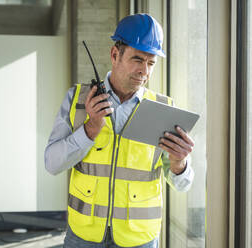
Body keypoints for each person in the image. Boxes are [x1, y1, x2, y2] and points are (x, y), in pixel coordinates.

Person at [44, 13, 195, 248]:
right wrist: (90, 129)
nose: (144, 71)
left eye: (151, 63)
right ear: (115, 55)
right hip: (83, 236)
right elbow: (52, 164)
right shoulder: (78, 100)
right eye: (138, 59)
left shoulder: (164, 110)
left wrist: (179, 165)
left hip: (139, 240)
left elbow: (183, 185)